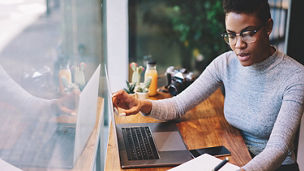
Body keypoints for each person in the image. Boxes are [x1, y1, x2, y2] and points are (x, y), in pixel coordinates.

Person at [112, 0, 304, 170]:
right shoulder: (225, 63)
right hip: (234, 156)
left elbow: (278, 148)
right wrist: (141, 104)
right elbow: (178, 105)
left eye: (248, 33)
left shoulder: (294, 76)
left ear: (268, 27)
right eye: (231, 35)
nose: (238, 45)